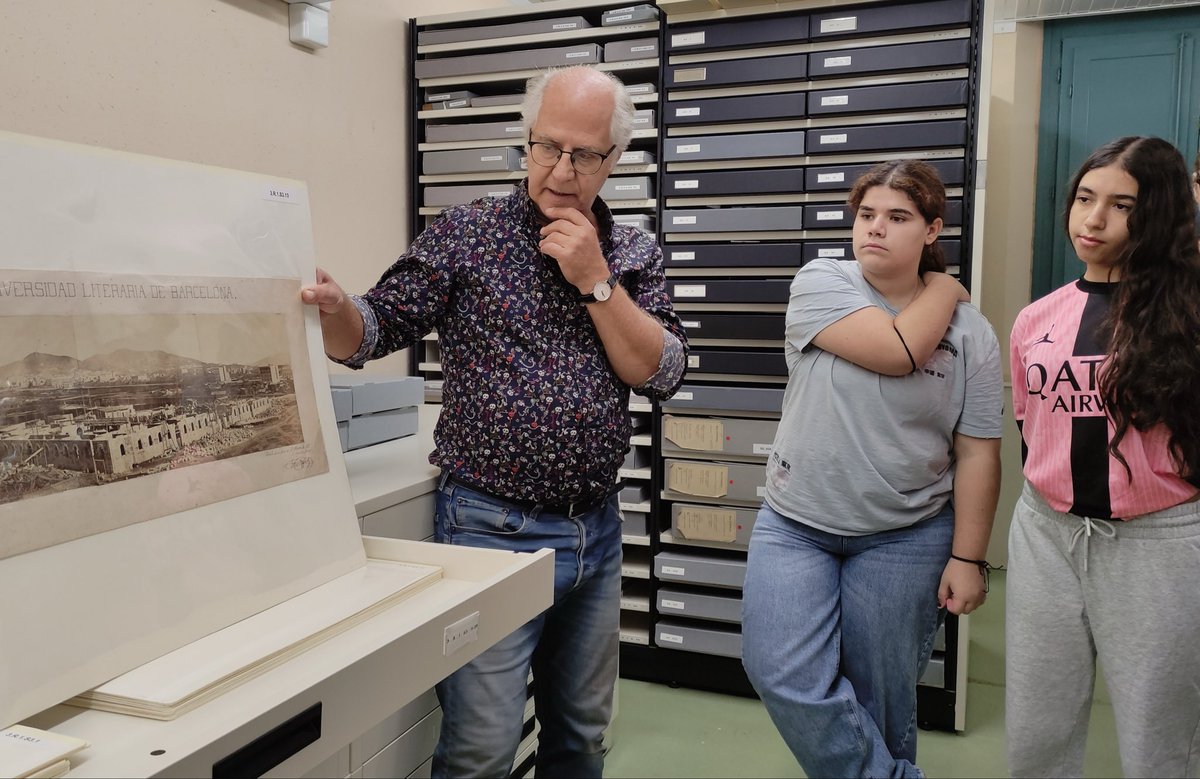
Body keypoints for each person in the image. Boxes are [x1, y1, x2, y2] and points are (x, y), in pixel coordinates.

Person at [301, 65, 687, 778]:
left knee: (581, 735)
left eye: (584, 155)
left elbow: (661, 371)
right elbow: (375, 328)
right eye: (547, 147)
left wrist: (596, 280)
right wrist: (336, 310)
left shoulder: (632, 252)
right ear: (527, 139)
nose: (561, 171)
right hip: (489, 525)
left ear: (614, 159)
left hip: (596, 529)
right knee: (483, 747)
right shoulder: (470, 233)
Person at [741, 160, 1004, 778]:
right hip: (796, 524)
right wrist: (945, 288)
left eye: (898, 217)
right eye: (866, 215)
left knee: (881, 700)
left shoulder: (972, 335)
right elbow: (897, 351)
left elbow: (978, 452)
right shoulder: (823, 281)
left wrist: (969, 558)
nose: (875, 228)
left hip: (906, 534)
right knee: (779, 669)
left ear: (932, 229)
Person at [1006, 136, 1200, 778]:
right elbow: (1032, 427)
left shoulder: (1188, 317)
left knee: (1160, 728)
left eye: (1123, 206)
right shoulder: (1036, 320)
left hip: (1157, 542)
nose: (1094, 220)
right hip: (1046, 533)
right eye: (1086, 198)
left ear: (1159, 214)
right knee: (1037, 721)